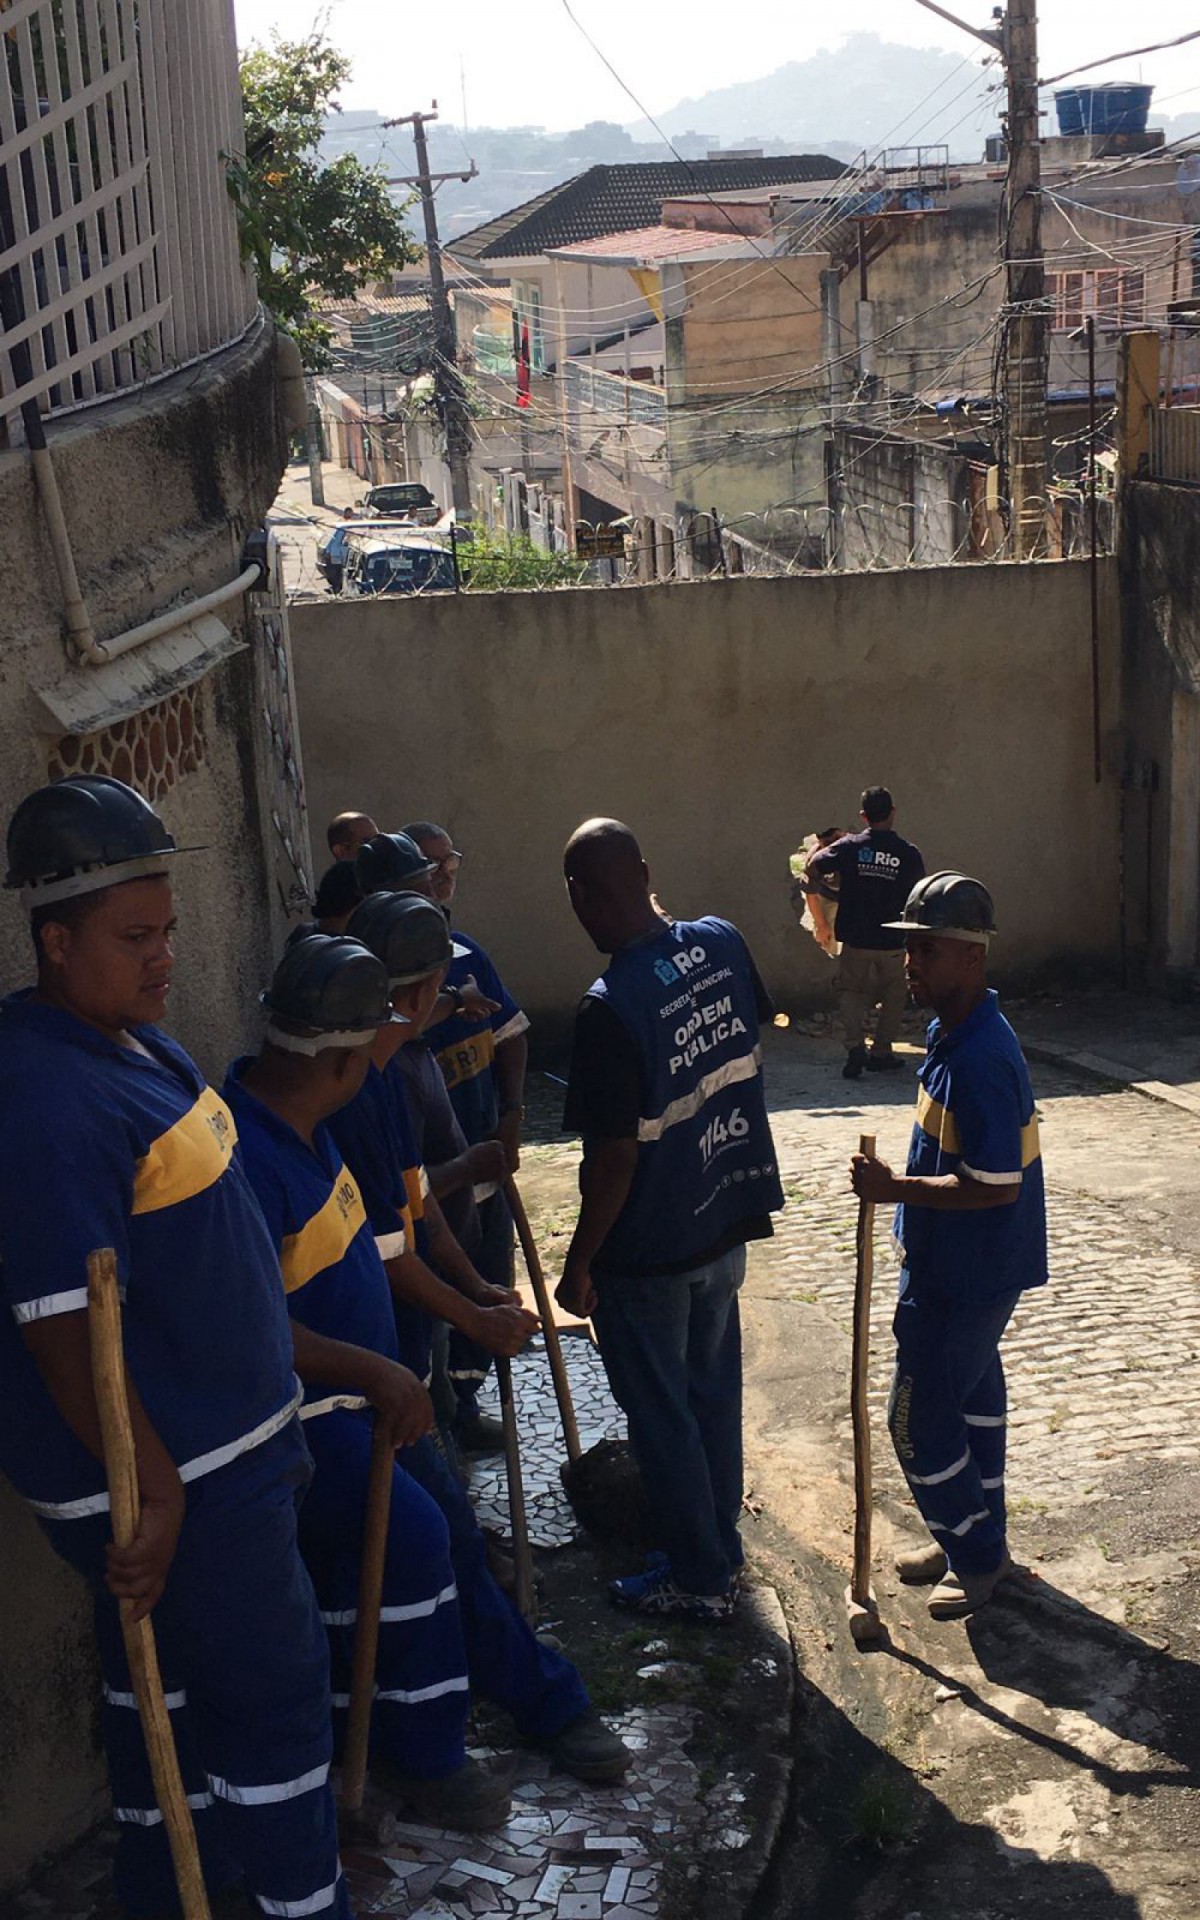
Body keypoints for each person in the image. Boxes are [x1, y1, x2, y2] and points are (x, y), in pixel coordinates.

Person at [0, 776, 353, 1920]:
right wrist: (152, 1491)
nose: (164, 958)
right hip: (186, 1481)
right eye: (134, 938)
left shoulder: (128, 1045)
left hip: (221, 1457)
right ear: (56, 942)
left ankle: (177, 1893)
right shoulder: (42, 1099)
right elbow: (62, 1327)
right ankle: (304, 1904)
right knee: (274, 1700)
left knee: (173, 1701)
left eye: (167, 930)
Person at [332, 889, 631, 1784]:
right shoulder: (353, 1086)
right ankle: (500, 1719)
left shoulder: (389, 1069)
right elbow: (387, 1248)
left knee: (441, 1539)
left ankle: (527, 1702)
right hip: (352, 1374)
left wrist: (474, 1288)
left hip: (389, 1356)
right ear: (420, 992)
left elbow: (413, 1211)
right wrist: (473, 1317)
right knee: (436, 1544)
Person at [224, 936, 514, 1830]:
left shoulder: (311, 1132)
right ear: (344, 1062)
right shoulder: (248, 1160)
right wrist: (378, 1371)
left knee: (396, 1566)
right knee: (419, 1545)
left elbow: (392, 1241)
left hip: (364, 1403)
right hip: (311, 1418)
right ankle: (426, 1755)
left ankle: (379, 1731)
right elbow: (252, 1324)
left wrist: (471, 1300)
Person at [557, 818, 784, 1620]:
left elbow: (613, 1160)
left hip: (650, 1251)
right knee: (712, 1396)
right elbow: (742, 1039)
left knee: (662, 1418)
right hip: (725, 1216)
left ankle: (699, 1577)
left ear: (578, 897)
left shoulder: (608, 1009)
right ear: (648, 872)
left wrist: (579, 1262)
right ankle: (718, 1543)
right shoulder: (722, 942)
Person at [849, 872, 1048, 1620]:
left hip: (969, 1275)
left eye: (925, 950)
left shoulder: (981, 1059)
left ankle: (978, 1556)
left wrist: (892, 1189)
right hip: (955, 1267)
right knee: (972, 1407)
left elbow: (994, 1186)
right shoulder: (951, 1035)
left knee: (917, 1422)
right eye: (910, 949)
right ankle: (970, 1534)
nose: (911, 964)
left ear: (971, 955)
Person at [405, 821, 530, 1449]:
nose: (442, 873)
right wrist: (451, 1002)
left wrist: (511, 1114)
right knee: (440, 1299)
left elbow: (511, 1033)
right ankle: (440, 1420)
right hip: (430, 1183)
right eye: (428, 865)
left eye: (448, 860)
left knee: (488, 1276)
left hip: (484, 1158)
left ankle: (469, 1401)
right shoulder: (396, 983)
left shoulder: (469, 953)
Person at [805, 786, 925, 1079]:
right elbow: (919, 894)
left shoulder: (850, 847)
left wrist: (828, 883)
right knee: (894, 994)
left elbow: (814, 867)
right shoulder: (907, 853)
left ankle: (855, 1047)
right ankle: (881, 1052)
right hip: (892, 939)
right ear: (893, 813)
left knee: (850, 991)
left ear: (863, 816)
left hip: (856, 937)